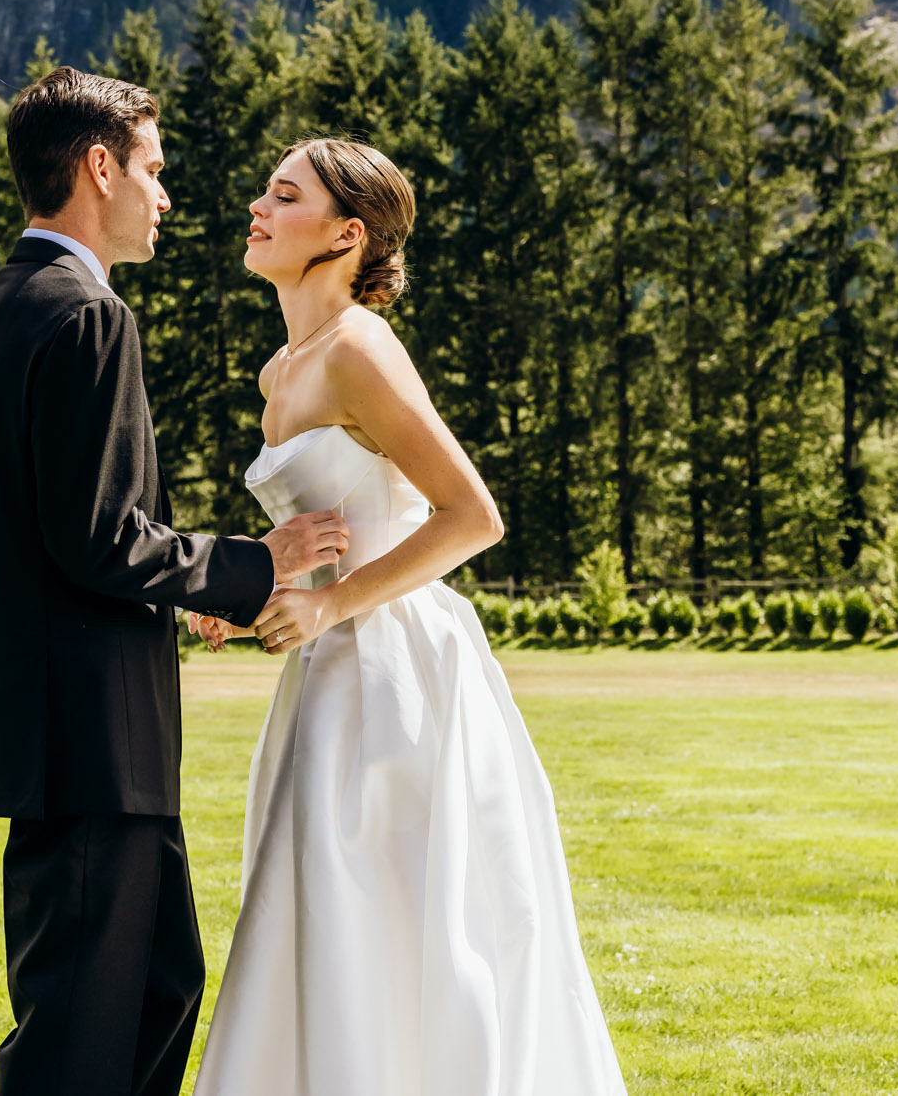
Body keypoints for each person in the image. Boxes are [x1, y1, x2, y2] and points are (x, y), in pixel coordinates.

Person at [188, 137, 628, 1096]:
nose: (258, 205)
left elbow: (472, 515)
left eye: (284, 193)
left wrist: (335, 605)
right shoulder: (280, 370)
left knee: (390, 914)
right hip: (325, 676)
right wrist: (256, 594)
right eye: (265, 189)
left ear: (345, 234)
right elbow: (337, 528)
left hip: (395, 674)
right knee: (323, 913)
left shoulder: (358, 346)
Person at [0, 67, 352, 1096]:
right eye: (153, 168)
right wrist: (257, 563)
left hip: (65, 734)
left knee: (153, 989)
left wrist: (199, 586)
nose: (164, 194)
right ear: (98, 165)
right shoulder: (86, 315)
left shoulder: (6, 307)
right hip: (90, 737)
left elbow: (69, 535)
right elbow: (100, 538)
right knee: (86, 1033)